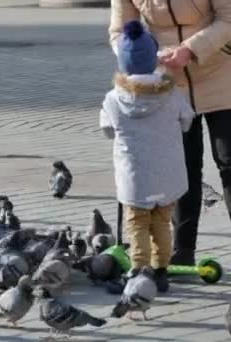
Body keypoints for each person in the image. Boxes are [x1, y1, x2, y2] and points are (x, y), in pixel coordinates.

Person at [110, 0, 231, 266]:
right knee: (182, 167)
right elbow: (119, 32)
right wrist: (142, 59)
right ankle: (182, 252)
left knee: (229, 160)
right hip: (168, 81)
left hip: (222, 71)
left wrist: (189, 49)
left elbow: (228, 19)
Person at [100, 20, 195, 292]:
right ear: (153, 60)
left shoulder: (112, 99)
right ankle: (161, 271)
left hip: (135, 178)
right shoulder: (172, 93)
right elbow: (188, 121)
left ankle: (138, 271)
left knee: (138, 224)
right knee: (162, 223)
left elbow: (107, 130)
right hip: (168, 177)